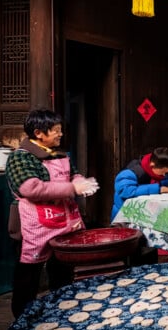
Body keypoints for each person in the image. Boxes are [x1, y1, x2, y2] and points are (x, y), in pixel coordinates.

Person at [5, 109, 100, 317]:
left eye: (60, 130)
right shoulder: (21, 157)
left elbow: (73, 174)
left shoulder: (60, 154)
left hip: (64, 222)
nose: (60, 134)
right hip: (34, 225)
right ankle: (23, 319)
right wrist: (73, 188)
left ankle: (61, 313)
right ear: (38, 133)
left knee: (63, 271)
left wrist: (81, 182)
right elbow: (30, 188)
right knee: (28, 276)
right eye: (56, 130)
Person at [111, 147, 168, 221]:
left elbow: (155, 183)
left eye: (166, 172)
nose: (164, 175)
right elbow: (126, 191)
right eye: (163, 172)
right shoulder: (130, 173)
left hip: (143, 214)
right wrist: (158, 189)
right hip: (124, 215)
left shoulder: (154, 171)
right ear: (152, 165)